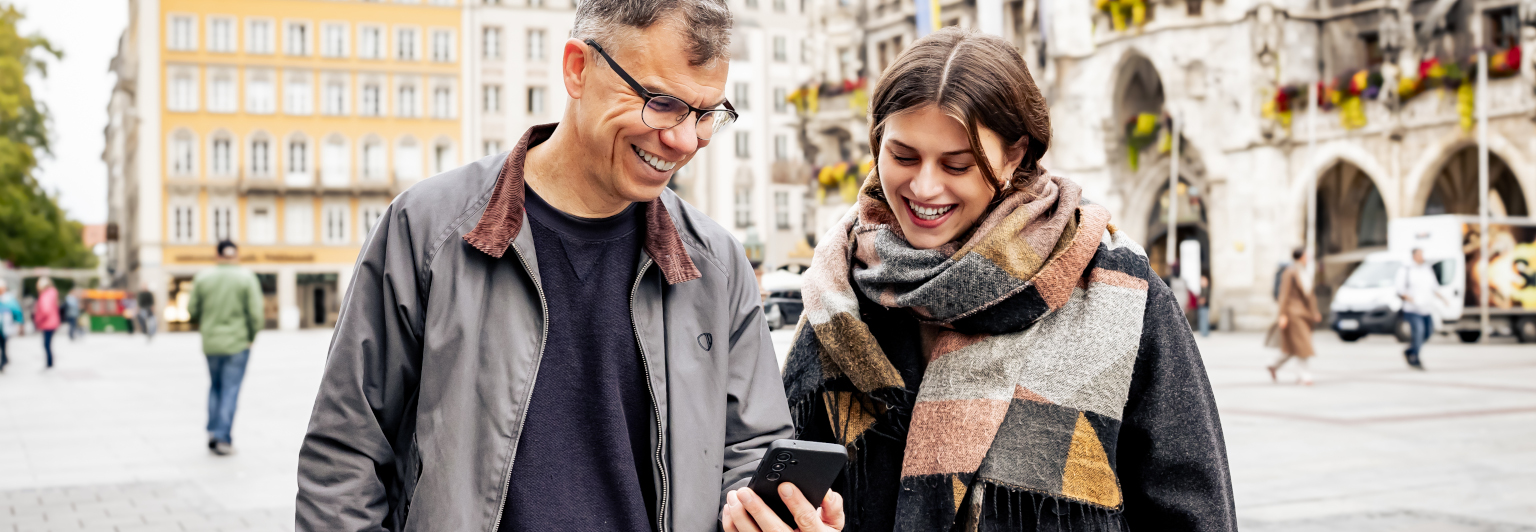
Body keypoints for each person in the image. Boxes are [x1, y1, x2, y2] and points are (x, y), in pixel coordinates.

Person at [295, 1, 801, 530]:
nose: (683, 140)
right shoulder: (427, 229)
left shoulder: (717, 263)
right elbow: (345, 454)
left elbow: (751, 452)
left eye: (706, 115)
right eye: (662, 102)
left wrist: (770, 510)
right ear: (577, 69)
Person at [760, 27, 1236, 532]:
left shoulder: (1119, 294)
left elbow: (1196, 515)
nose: (923, 186)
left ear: (1014, 155)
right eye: (903, 156)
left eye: (957, 164)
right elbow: (789, 496)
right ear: (877, 141)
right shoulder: (840, 292)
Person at [188, 240, 265, 456]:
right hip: (238, 343)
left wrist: (206, 324)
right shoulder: (246, 277)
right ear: (236, 255)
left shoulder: (203, 277)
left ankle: (212, 432)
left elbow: (192, 310)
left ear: (217, 254)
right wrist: (251, 337)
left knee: (215, 387)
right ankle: (223, 437)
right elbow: (256, 314)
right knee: (230, 389)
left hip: (211, 343)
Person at [1268, 248, 1321, 385]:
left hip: (1304, 314)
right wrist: (1282, 315)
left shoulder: (1304, 272)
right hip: (1293, 313)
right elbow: (1284, 295)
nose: (1308, 258)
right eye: (1306, 255)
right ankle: (1305, 376)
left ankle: (1273, 365)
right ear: (1301, 257)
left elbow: (1310, 295)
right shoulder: (1290, 272)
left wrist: (1314, 311)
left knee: (1293, 346)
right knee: (1303, 343)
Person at [1397, 248, 1449, 370]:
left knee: (1428, 332)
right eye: (1420, 254)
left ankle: (1410, 350)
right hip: (1412, 309)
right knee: (1418, 332)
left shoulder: (1427, 269)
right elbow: (1400, 290)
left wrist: (1444, 299)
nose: (1422, 256)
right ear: (1414, 255)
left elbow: (1434, 287)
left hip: (1426, 308)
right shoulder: (1406, 270)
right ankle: (1414, 357)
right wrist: (1413, 300)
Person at [33, 277, 60, 369]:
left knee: (46, 344)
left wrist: (38, 319)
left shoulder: (46, 295)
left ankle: (49, 363)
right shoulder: (52, 293)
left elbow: (46, 310)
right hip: (52, 322)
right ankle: (50, 362)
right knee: (48, 344)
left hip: (47, 323)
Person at [0, 279, 22, 372]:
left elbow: (17, 311)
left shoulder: (9, 298)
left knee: (4, 343)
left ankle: (3, 360)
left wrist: (20, 323)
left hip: (5, 326)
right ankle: (4, 358)